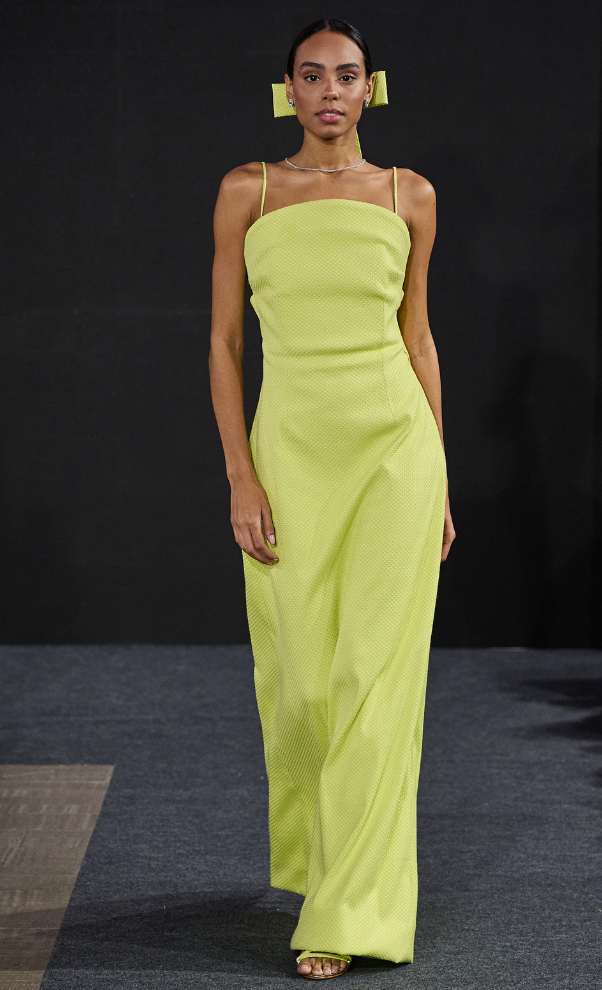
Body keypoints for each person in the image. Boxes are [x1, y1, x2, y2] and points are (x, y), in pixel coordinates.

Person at [209, 18, 455, 980]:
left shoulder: (408, 195)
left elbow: (417, 336)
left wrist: (440, 474)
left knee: (373, 684)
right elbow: (225, 342)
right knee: (304, 684)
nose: (327, 92)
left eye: (344, 76)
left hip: (395, 451)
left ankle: (349, 912)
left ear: (368, 88)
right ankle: (325, 868)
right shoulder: (248, 190)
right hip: (291, 456)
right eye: (310, 76)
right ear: (288, 91)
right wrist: (240, 474)